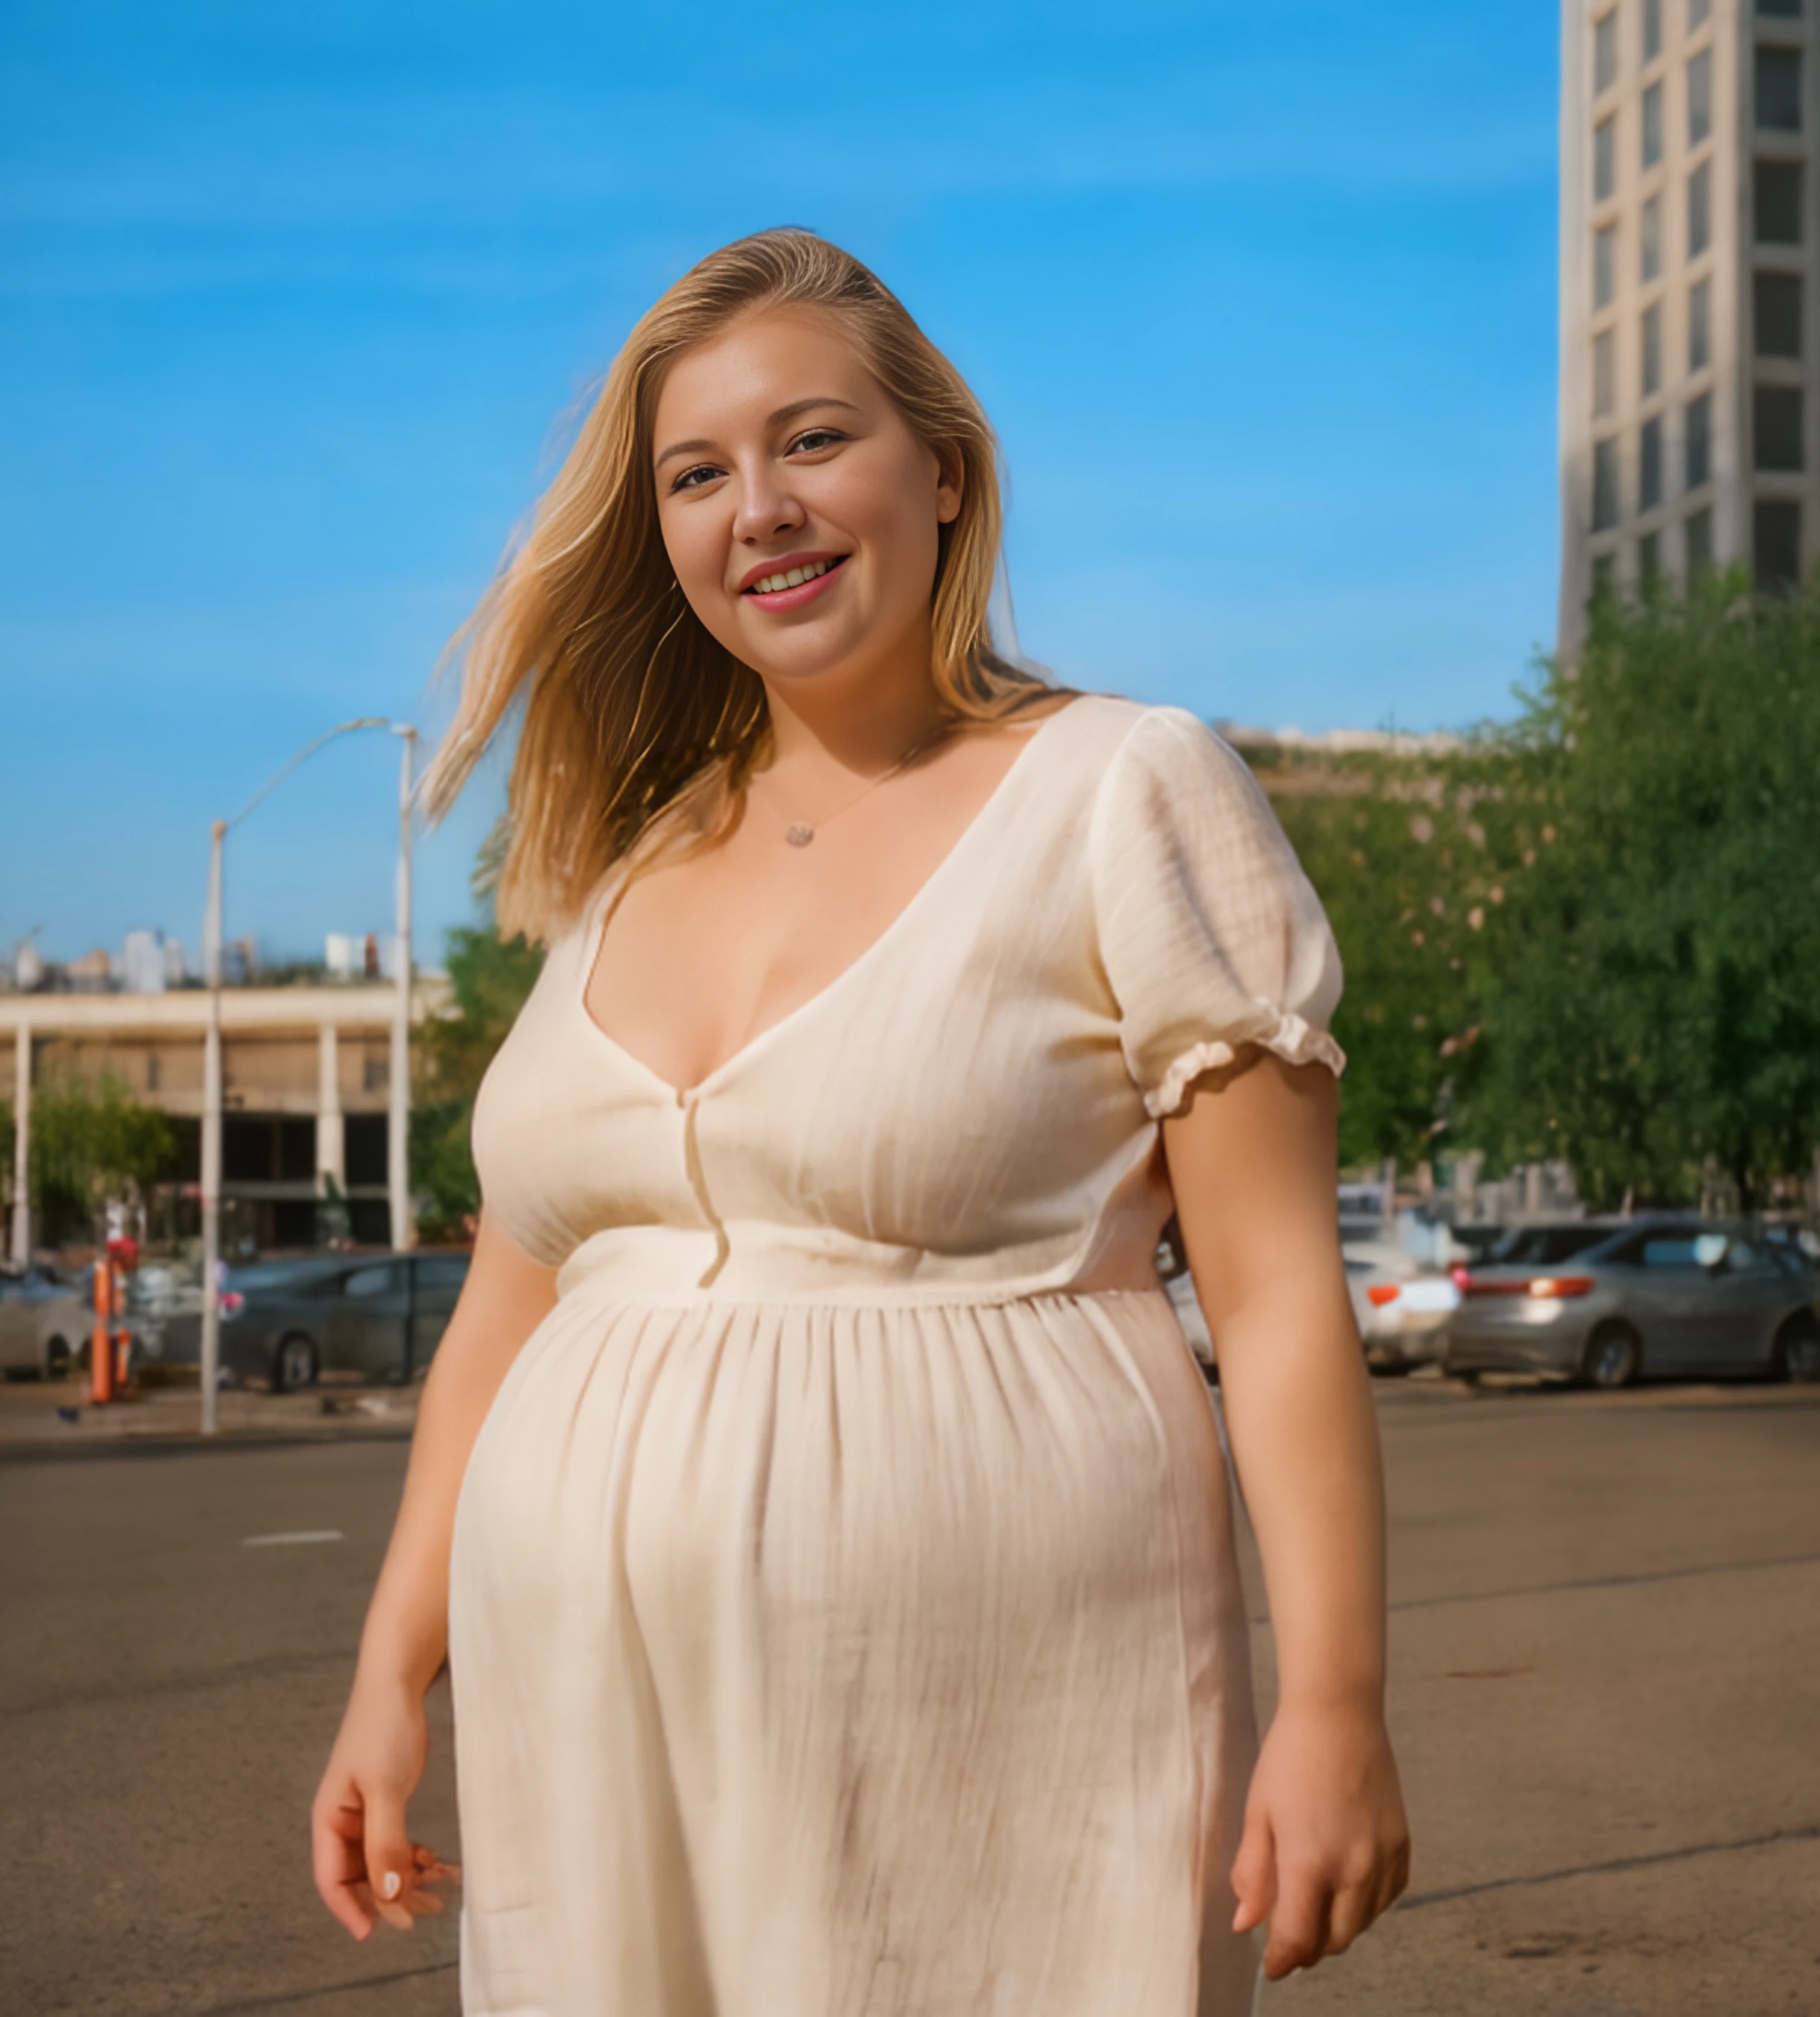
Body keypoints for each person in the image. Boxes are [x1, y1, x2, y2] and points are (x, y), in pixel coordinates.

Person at [312, 229, 1407, 2013]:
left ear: (943, 471)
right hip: (586, 1735)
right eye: (695, 473)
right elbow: (511, 1313)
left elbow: (1276, 1293)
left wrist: (1336, 1706)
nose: (758, 506)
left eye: (810, 440)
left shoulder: (1120, 788)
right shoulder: (625, 861)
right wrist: (388, 1673)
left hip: (994, 1730)